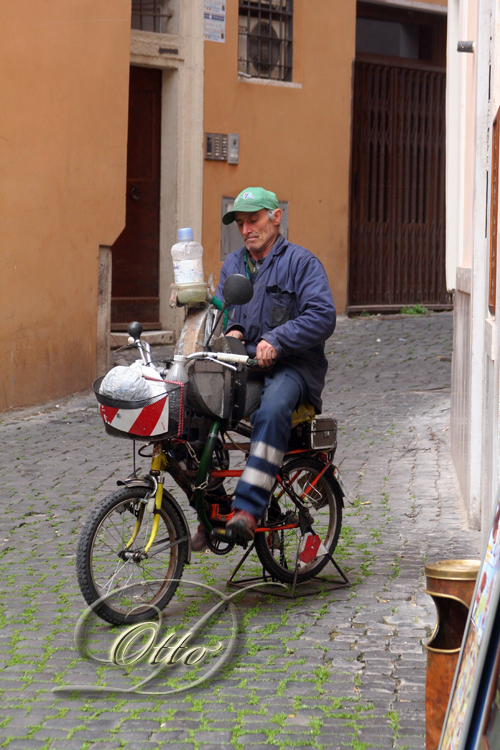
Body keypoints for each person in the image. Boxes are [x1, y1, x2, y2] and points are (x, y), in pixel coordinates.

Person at [191, 187, 336, 550]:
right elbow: (228, 311)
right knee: (191, 410)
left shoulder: (302, 263)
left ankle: (247, 512)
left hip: (293, 367)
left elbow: (322, 316)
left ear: (275, 217)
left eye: (253, 220)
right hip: (245, 365)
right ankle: (214, 506)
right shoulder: (232, 265)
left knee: (271, 412)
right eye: (240, 223)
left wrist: (279, 339)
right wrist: (232, 327)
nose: (245, 229)